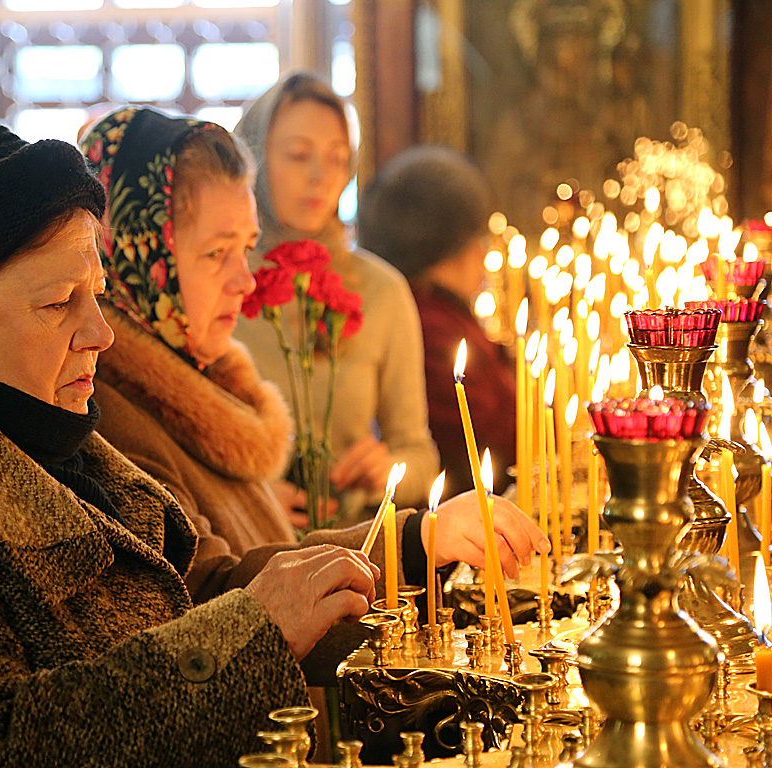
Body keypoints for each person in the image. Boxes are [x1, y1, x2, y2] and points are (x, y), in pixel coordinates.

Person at [0, 115, 383, 765]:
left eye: (98, 294)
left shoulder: (52, 440)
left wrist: (400, 554)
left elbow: (200, 586)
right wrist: (250, 635)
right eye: (58, 303)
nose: (100, 334)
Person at [80, 109, 546, 628]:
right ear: (135, 252)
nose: (246, 281)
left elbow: (275, 560)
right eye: (215, 253)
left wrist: (419, 534)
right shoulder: (105, 412)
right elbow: (218, 594)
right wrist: (417, 539)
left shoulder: (207, 374)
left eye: (247, 250)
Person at [233, 71, 439, 516]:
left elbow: (419, 455)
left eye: (337, 157)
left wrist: (386, 471)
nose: (320, 176)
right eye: (298, 155)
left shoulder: (381, 289)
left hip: (358, 548)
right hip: (246, 549)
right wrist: (246, 501)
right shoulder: (223, 284)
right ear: (253, 159)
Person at [358, 146, 516, 496]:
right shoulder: (432, 327)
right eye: (477, 239)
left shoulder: (443, 314)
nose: (483, 254)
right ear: (455, 247)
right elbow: (489, 437)